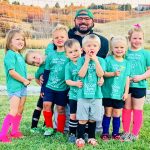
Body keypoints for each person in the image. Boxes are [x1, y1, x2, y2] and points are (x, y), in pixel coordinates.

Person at [68, 8, 109, 133]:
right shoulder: (67, 38)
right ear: (75, 21)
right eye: (80, 19)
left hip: (92, 84)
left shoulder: (101, 41)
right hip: (72, 81)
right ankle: (69, 131)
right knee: (74, 112)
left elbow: (101, 64)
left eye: (87, 19)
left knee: (91, 112)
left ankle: (89, 133)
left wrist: (101, 76)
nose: (83, 21)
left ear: (92, 22)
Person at [0, 29, 31, 143]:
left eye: (22, 39)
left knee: (20, 110)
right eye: (17, 39)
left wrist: (27, 78)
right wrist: (23, 80)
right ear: (10, 41)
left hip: (22, 86)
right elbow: (12, 72)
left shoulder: (19, 54)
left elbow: (20, 71)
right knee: (13, 110)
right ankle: (2, 135)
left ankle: (14, 131)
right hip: (15, 87)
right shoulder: (10, 54)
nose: (21, 41)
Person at [75, 34, 105, 148]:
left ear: (98, 48)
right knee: (83, 118)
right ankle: (80, 137)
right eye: (88, 45)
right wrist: (87, 61)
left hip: (96, 95)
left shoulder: (101, 60)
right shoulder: (81, 60)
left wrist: (96, 61)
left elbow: (101, 74)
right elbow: (81, 74)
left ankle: (91, 137)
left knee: (93, 118)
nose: (91, 48)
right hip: (83, 95)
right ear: (83, 49)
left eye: (94, 45)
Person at [121, 24, 150, 141]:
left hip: (140, 85)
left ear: (143, 39)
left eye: (140, 38)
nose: (137, 41)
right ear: (129, 39)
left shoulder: (146, 53)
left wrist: (141, 76)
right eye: (134, 38)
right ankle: (126, 131)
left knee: (137, 109)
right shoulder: (125, 52)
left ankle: (135, 133)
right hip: (126, 86)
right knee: (127, 108)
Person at [41, 24, 69, 137]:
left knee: (61, 108)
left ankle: (60, 131)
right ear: (53, 40)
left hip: (63, 88)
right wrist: (43, 88)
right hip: (49, 87)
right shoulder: (51, 55)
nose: (59, 39)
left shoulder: (69, 54)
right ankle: (49, 128)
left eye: (62, 37)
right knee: (46, 105)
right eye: (56, 37)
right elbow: (46, 72)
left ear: (67, 39)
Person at [101, 36, 130, 141]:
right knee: (108, 112)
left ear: (125, 49)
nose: (119, 49)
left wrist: (126, 92)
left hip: (119, 93)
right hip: (108, 92)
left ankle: (116, 133)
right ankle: (105, 133)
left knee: (117, 113)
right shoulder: (108, 60)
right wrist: (113, 74)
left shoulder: (126, 63)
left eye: (122, 47)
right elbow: (103, 74)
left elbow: (127, 78)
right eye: (116, 47)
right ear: (112, 49)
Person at [64, 39, 82, 143]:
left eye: (76, 50)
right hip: (74, 95)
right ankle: (72, 134)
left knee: (84, 115)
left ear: (81, 50)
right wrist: (75, 83)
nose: (74, 54)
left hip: (85, 95)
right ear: (67, 55)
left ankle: (84, 132)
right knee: (73, 115)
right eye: (70, 52)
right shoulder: (68, 66)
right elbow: (67, 81)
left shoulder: (85, 62)